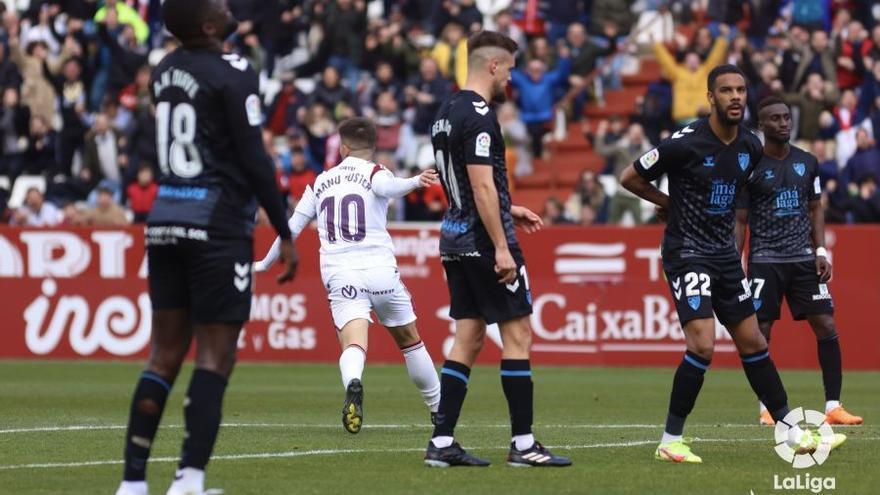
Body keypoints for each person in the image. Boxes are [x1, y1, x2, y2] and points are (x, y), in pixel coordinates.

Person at [114, 1, 298, 495]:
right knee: (216, 356)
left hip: (166, 218)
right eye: (219, 3)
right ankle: (189, 480)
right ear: (210, 24)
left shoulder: (166, 68)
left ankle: (132, 483)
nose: (228, 4)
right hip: (216, 223)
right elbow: (255, 157)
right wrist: (284, 228)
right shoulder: (236, 70)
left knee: (163, 355)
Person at [620, 65, 845, 464]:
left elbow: (742, 191)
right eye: (726, 91)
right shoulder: (684, 143)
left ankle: (791, 432)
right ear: (711, 97)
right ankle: (671, 440)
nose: (736, 97)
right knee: (703, 344)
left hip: (723, 254)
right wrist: (667, 203)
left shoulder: (749, 145)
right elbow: (629, 177)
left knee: (754, 343)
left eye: (741, 90)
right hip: (687, 252)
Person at [426, 30, 570, 468]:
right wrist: (504, 245)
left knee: (467, 338)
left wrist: (511, 206)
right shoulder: (481, 114)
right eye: (509, 67)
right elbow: (482, 185)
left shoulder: (445, 111)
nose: (511, 76)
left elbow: (465, 185)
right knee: (518, 334)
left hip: (453, 237)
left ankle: (442, 441)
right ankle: (524, 445)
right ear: (493, 65)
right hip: (484, 242)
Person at [254, 117, 443, 434]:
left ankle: (354, 382)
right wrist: (413, 181)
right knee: (411, 342)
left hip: (342, 274)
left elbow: (291, 229)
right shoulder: (374, 172)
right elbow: (388, 187)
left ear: (342, 148)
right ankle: (440, 411)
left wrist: (263, 264)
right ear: (373, 147)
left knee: (353, 344)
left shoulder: (320, 182)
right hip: (381, 272)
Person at [736, 97, 864, 427]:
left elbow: (815, 208)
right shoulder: (750, 168)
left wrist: (821, 251)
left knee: (827, 325)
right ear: (762, 126)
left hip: (803, 260)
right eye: (776, 119)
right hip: (765, 260)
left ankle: (833, 406)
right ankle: (767, 407)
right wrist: (735, 263)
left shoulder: (807, 162)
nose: (784, 123)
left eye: (786, 117)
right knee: (761, 332)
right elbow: (740, 219)